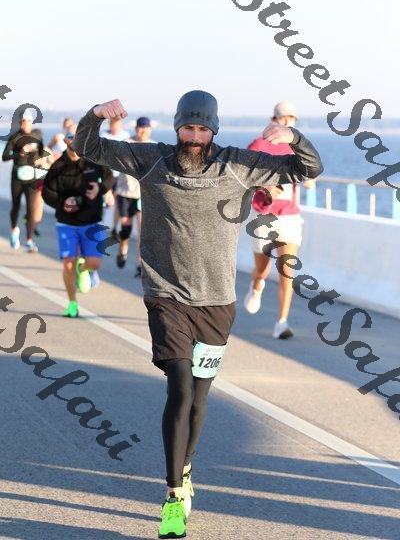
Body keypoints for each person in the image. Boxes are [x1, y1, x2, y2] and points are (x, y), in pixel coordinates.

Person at [73, 91, 323, 539]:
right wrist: (95, 115)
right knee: (181, 387)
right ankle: (173, 496)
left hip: (217, 303)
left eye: (202, 129)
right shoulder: (150, 159)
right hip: (165, 295)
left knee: (200, 396)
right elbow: (87, 147)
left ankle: (186, 469)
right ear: (177, 127)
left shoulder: (239, 165)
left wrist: (294, 137)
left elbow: (309, 168)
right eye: (187, 128)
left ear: (213, 130)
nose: (194, 136)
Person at [244, 101, 316, 339]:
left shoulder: (297, 148)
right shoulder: (258, 145)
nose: (287, 122)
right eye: (284, 118)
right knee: (262, 270)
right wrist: (265, 188)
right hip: (264, 215)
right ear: (274, 119)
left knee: (287, 271)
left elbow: (310, 174)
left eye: (292, 118)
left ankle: (281, 323)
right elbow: (243, 178)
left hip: (290, 217)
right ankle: (257, 285)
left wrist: (310, 179)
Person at [42, 132, 113, 318]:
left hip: (92, 221)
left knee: (94, 264)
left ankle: (82, 270)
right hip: (66, 223)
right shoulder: (58, 166)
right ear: (66, 142)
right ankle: (72, 303)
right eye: (71, 140)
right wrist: (62, 203)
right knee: (68, 264)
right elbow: (47, 193)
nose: (75, 143)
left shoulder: (93, 160)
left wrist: (100, 188)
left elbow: (109, 178)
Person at [2, 108, 49, 252]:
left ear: (31, 121)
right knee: (16, 206)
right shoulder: (14, 137)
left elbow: (42, 151)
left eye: (27, 121)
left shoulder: (37, 134)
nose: (25, 123)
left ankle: (29, 240)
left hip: (32, 178)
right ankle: (14, 231)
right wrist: (20, 154)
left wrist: (39, 159)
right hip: (17, 177)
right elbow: (4, 156)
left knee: (30, 209)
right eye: (22, 121)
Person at [115, 116, 155, 276]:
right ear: (136, 128)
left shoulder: (154, 147)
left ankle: (140, 263)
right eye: (140, 127)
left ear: (149, 129)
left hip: (143, 194)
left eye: (145, 128)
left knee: (142, 230)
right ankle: (123, 250)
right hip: (125, 192)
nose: (142, 130)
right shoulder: (126, 144)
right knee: (126, 228)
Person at [102, 115, 131, 238]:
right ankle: (101, 224)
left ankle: (114, 228)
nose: (114, 127)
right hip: (108, 174)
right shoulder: (104, 135)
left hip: (121, 175)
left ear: (120, 125)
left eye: (116, 125)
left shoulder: (126, 136)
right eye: (112, 125)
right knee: (106, 201)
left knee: (118, 203)